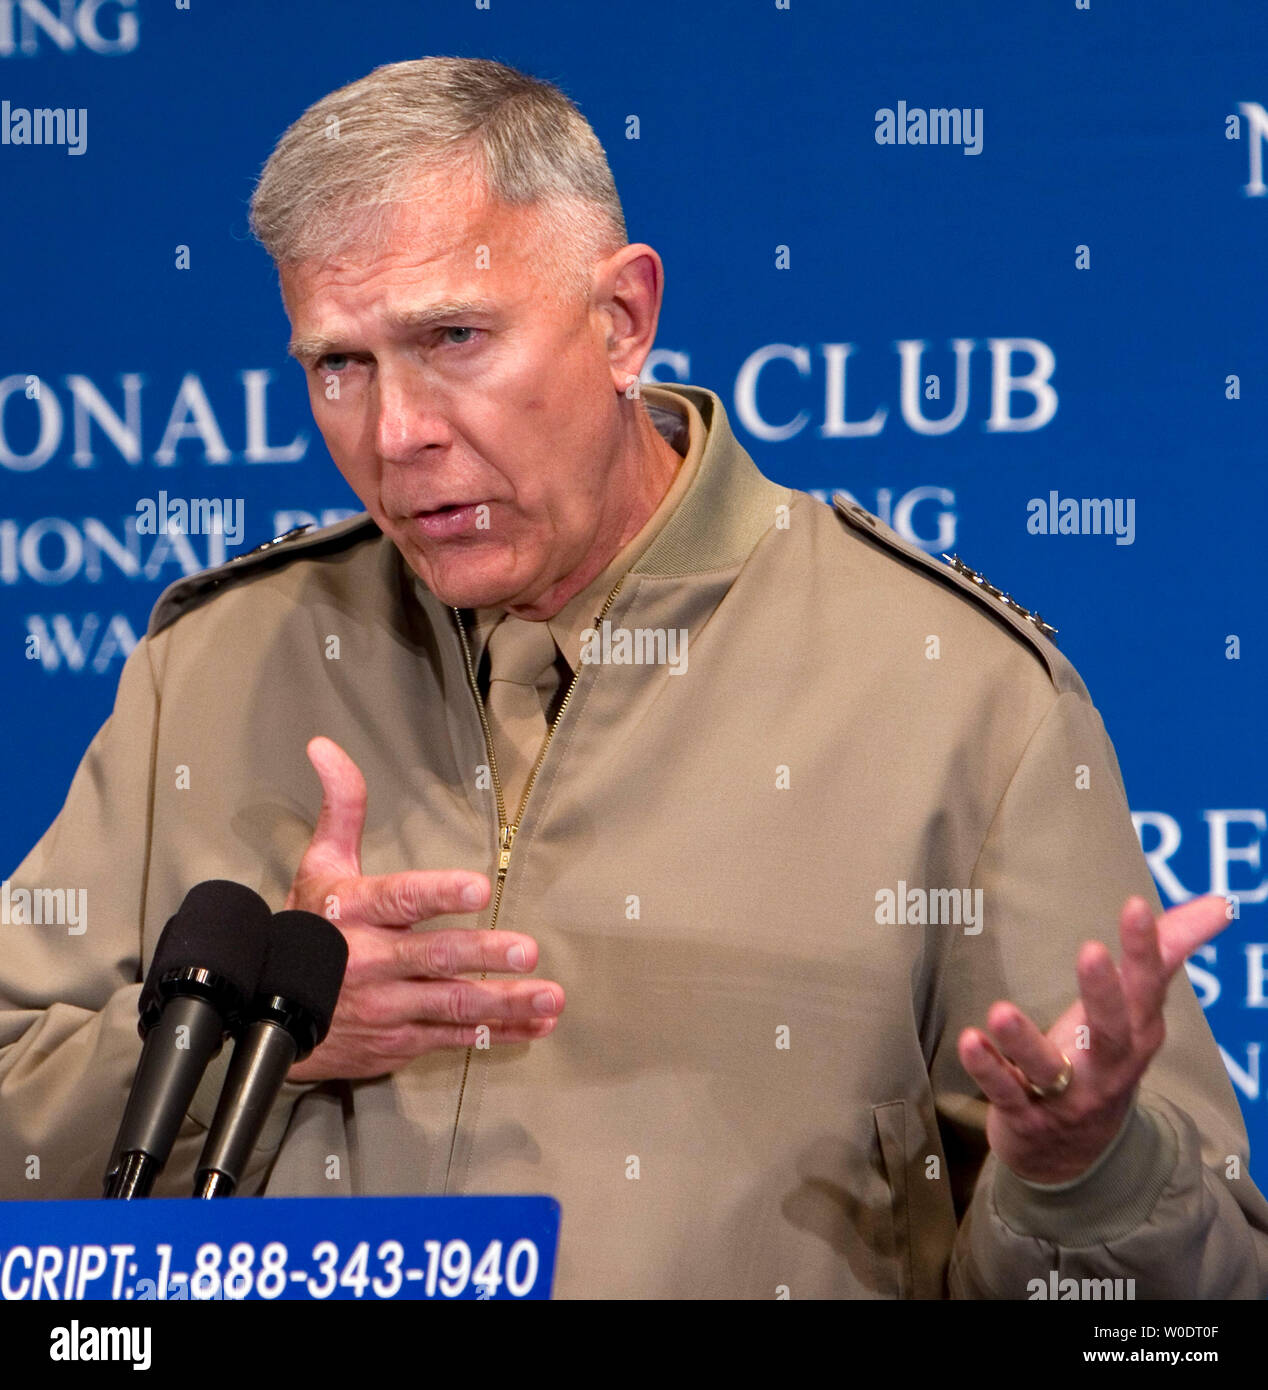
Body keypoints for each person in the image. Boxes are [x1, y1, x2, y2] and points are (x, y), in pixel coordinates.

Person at [2, 56, 1265, 1299]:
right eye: (339, 365)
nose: (396, 434)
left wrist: (1080, 1174)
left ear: (622, 321)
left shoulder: (958, 696)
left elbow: (1193, 1296)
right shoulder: (215, 663)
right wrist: (259, 1047)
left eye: (453, 337)